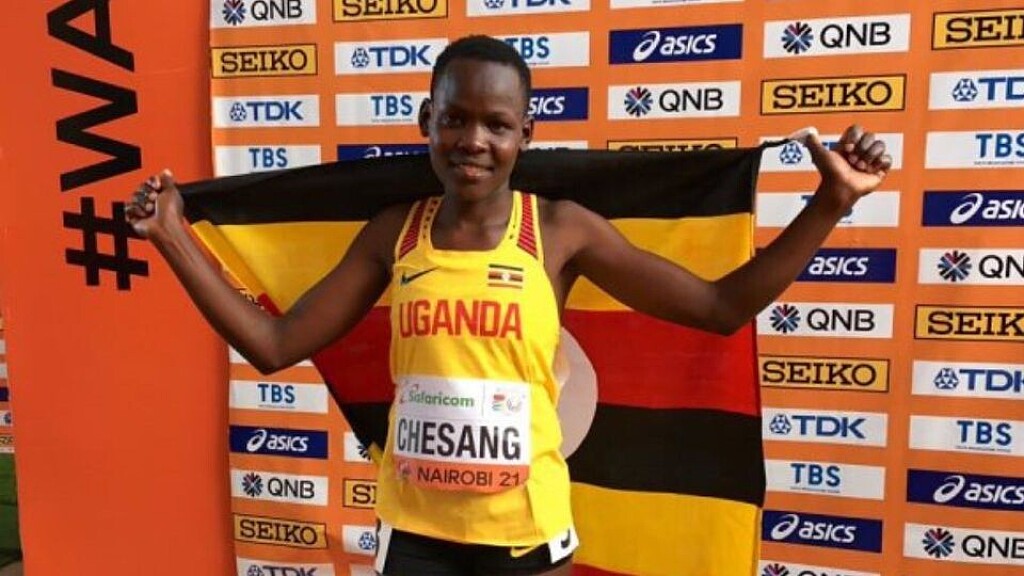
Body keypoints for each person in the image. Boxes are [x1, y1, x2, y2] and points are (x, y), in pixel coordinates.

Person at [126, 35, 891, 576]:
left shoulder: (559, 231)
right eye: (455, 118)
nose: (474, 140)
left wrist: (829, 204)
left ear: (525, 133)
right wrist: (171, 236)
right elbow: (273, 345)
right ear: (427, 123)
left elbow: (721, 307)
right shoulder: (395, 233)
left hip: (526, 539)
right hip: (415, 539)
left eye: (496, 124)